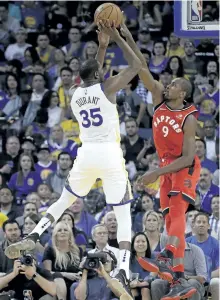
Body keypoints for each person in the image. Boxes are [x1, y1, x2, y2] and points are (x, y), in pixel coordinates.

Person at [5, 20, 142, 297]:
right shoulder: (108, 88)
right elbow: (137, 66)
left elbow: (92, 74)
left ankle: (33, 234)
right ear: (100, 74)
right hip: (110, 154)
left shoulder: (75, 93)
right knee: (123, 212)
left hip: (86, 153)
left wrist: (101, 48)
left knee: (64, 200)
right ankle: (125, 268)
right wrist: (118, 36)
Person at [120, 20, 201, 299]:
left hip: (184, 165)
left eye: (175, 84)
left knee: (177, 212)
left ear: (184, 93)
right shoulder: (157, 98)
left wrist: (157, 171)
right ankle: (179, 279)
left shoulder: (188, 118)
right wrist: (126, 35)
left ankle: (165, 256)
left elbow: (189, 157)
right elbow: (141, 65)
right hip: (167, 167)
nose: (169, 84)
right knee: (169, 221)